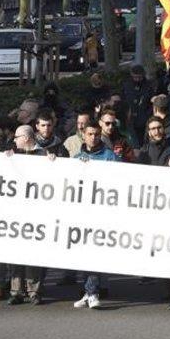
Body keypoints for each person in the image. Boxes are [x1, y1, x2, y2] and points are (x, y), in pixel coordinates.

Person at [5, 124, 53, 306]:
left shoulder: (44, 156)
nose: (14, 141)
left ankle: (34, 291)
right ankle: (16, 291)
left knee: (32, 253)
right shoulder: (13, 155)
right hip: (16, 212)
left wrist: (53, 162)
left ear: (25, 138)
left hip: (36, 212)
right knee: (16, 253)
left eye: (16, 137)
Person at [73, 122, 119, 309]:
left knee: (94, 253)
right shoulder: (77, 157)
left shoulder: (109, 156)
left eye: (97, 134)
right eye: (90, 134)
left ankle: (92, 292)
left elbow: (118, 179)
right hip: (83, 213)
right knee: (84, 255)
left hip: (102, 212)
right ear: (83, 135)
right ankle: (88, 291)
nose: (93, 137)